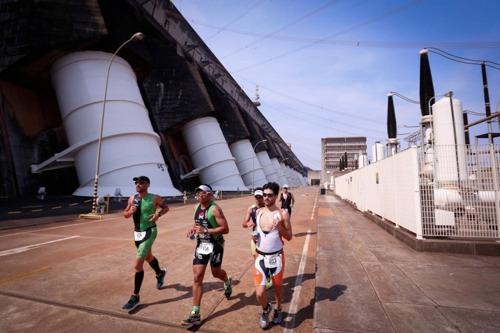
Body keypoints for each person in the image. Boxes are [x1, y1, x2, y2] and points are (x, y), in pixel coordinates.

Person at [181, 184, 232, 326]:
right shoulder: (196, 208)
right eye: (198, 192)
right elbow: (197, 224)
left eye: (202, 192)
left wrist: (206, 230)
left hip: (216, 245)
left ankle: (227, 281)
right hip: (202, 245)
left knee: (216, 273)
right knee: (197, 277)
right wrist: (192, 230)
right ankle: (195, 313)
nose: (199, 195)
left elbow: (225, 229)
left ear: (209, 194)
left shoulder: (215, 209)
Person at [121, 176, 169, 311]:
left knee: (138, 264)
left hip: (150, 230)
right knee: (148, 257)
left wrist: (158, 215)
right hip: (137, 233)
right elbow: (125, 214)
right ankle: (160, 273)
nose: (138, 184)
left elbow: (166, 208)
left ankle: (135, 296)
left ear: (148, 184)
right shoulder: (132, 198)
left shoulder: (155, 198)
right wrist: (130, 211)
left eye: (141, 182)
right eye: (136, 182)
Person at [253, 182, 292, 329]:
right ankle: (266, 309)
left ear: (276, 196)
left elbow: (289, 236)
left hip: (276, 256)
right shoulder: (258, 212)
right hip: (260, 257)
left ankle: (278, 309)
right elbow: (258, 232)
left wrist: (280, 227)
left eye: (270, 195)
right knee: (259, 293)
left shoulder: (283, 214)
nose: (266, 197)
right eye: (264, 195)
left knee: (277, 287)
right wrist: (255, 237)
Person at [241, 188, 265, 259]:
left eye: (260, 197)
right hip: (255, 237)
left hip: (265, 237)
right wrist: (247, 224)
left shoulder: (267, 208)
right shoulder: (251, 209)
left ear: (263, 197)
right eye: (256, 197)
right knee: (256, 258)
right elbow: (243, 224)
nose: (258, 199)